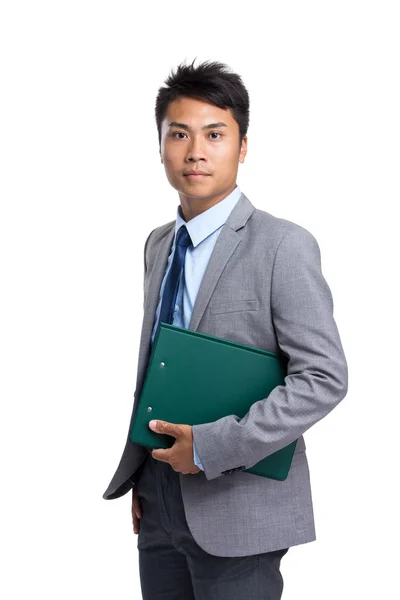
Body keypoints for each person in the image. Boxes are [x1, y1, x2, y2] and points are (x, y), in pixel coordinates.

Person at [102, 58, 348, 599]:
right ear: (160, 144)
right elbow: (160, 363)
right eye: (179, 134)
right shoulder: (158, 243)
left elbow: (324, 378)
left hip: (237, 504)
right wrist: (147, 472)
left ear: (241, 146)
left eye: (215, 134)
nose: (195, 151)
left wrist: (212, 447)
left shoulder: (283, 245)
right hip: (158, 498)